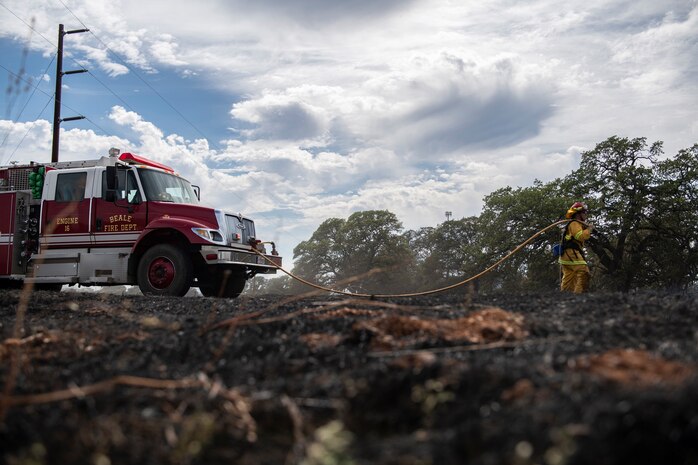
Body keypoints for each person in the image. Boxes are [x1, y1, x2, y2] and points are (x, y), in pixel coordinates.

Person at [559, 201, 592, 293]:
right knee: (583, 271)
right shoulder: (574, 224)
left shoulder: (576, 224)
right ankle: (579, 295)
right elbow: (580, 236)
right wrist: (589, 230)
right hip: (571, 254)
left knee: (570, 277)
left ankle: (565, 296)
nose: (586, 215)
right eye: (584, 212)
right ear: (578, 214)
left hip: (566, 256)